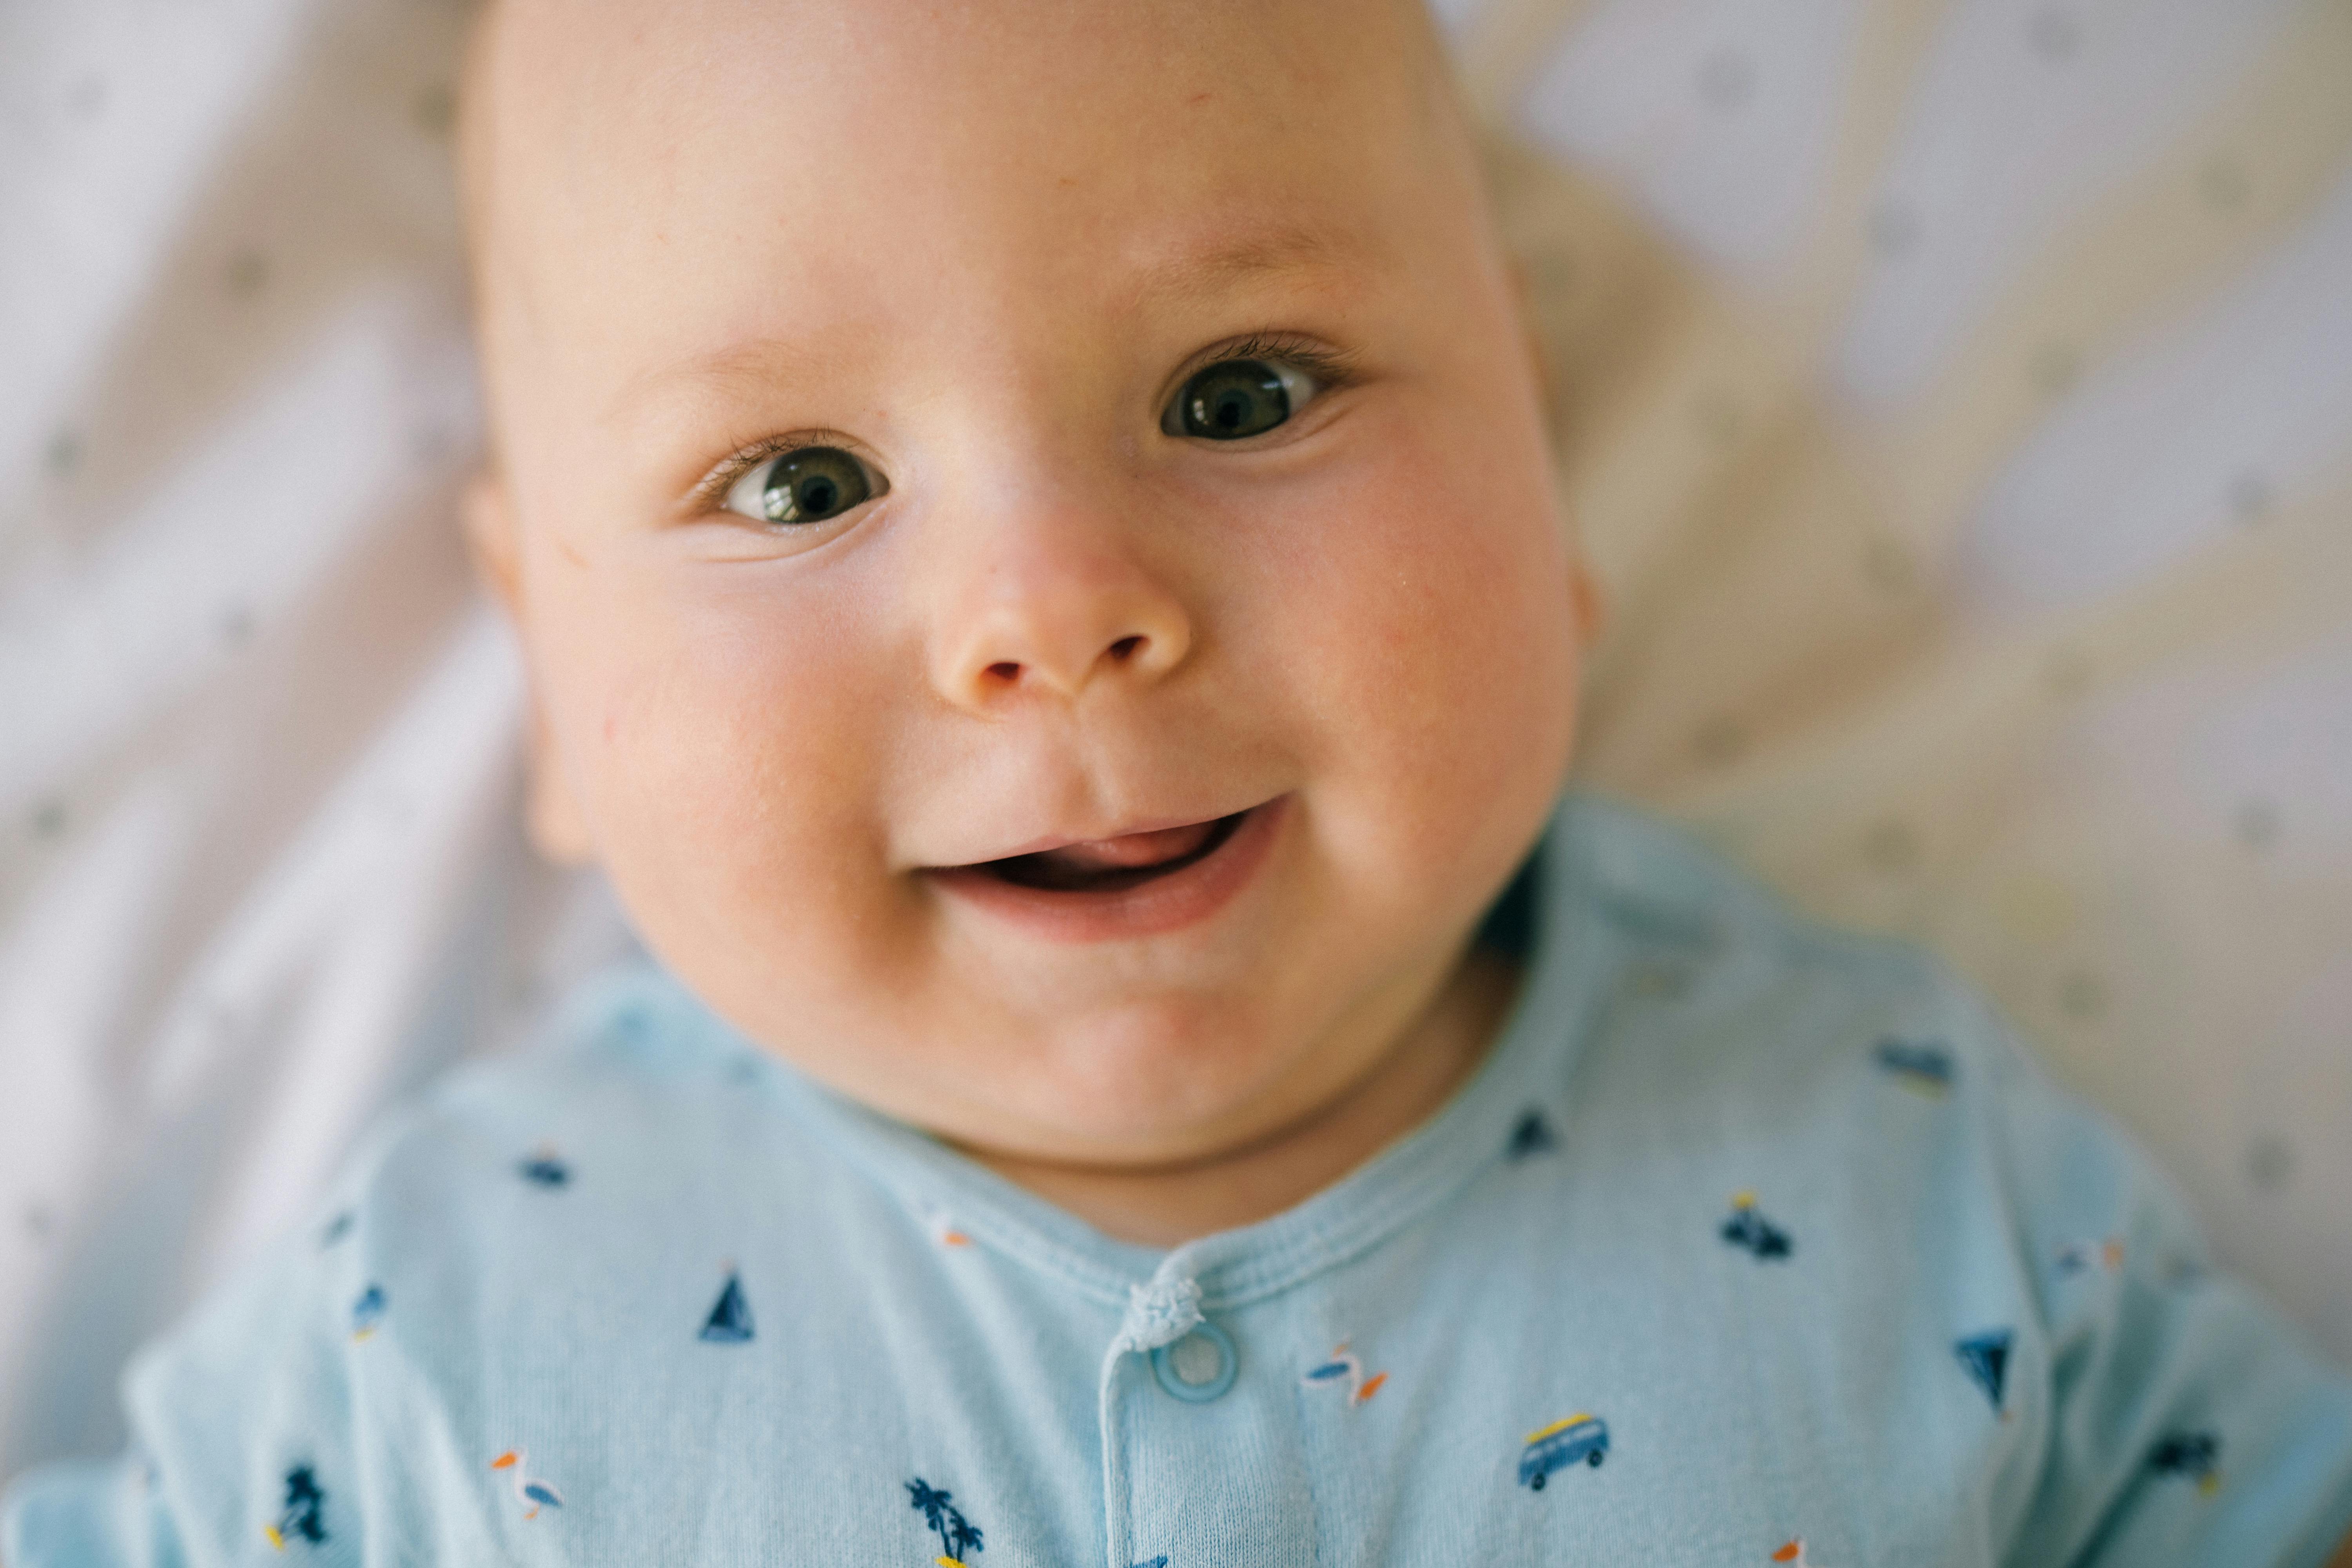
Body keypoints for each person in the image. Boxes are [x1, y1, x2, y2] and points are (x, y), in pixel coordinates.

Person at [7, 1, 2350, 1563]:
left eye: (1245, 396)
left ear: (1545, 474)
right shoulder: (431, 1316)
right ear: (547, 661)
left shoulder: (1902, 1157)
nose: (1052, 608)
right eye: (802, 482)